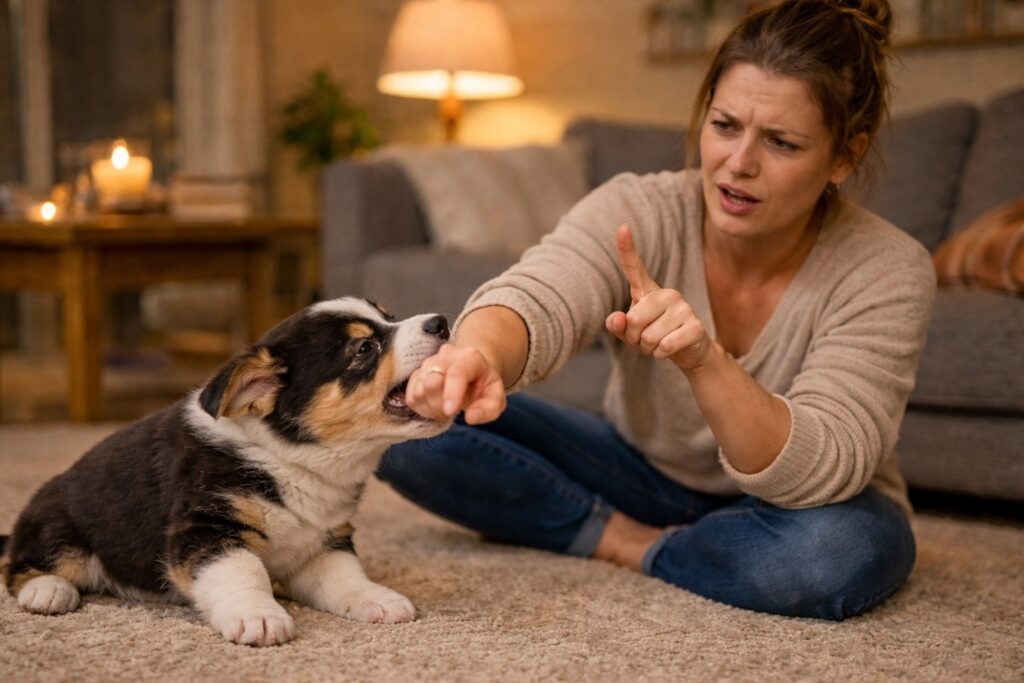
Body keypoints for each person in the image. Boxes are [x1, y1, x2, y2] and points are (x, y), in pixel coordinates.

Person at [377, 0, 936, 621]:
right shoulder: (639, 208)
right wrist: (476, 355)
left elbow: (815, 471)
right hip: (638, 472)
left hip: (800, 507)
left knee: (842, 554)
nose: (739, 163)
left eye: (781, 142)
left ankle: (634, 543)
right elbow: (540, 293)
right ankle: (636, 540)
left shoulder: (888, 267)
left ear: (844, 157)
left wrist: (703, 361)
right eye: (725, 125)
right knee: (402, 420)